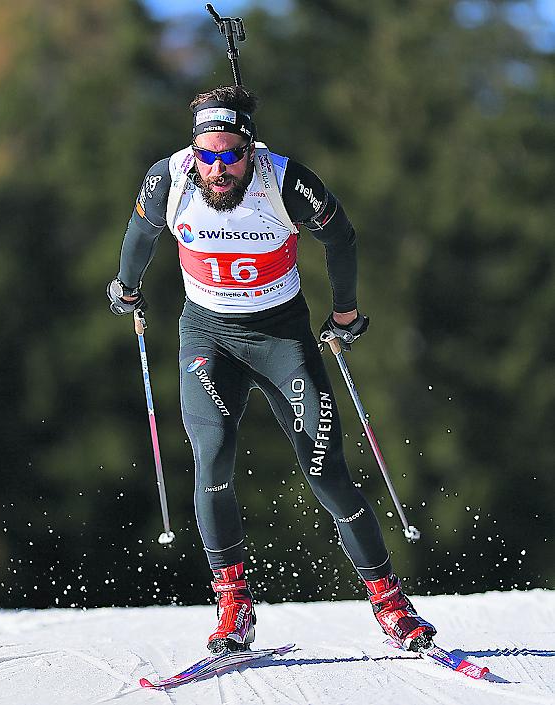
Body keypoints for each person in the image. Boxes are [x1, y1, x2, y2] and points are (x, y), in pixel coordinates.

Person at [108, 85, 436, 654]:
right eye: (207, 155)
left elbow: (341, 237)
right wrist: (127, 288)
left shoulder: (285, 181)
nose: (218, 169)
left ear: (249, 150)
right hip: (208, 337)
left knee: (324, 467)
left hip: (281, 337)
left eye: (229, 156)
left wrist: (345, 311)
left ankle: (388, 598)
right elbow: (141, 234)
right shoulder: (169, 178)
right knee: (212, 458)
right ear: (194, 150)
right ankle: (233, 602)